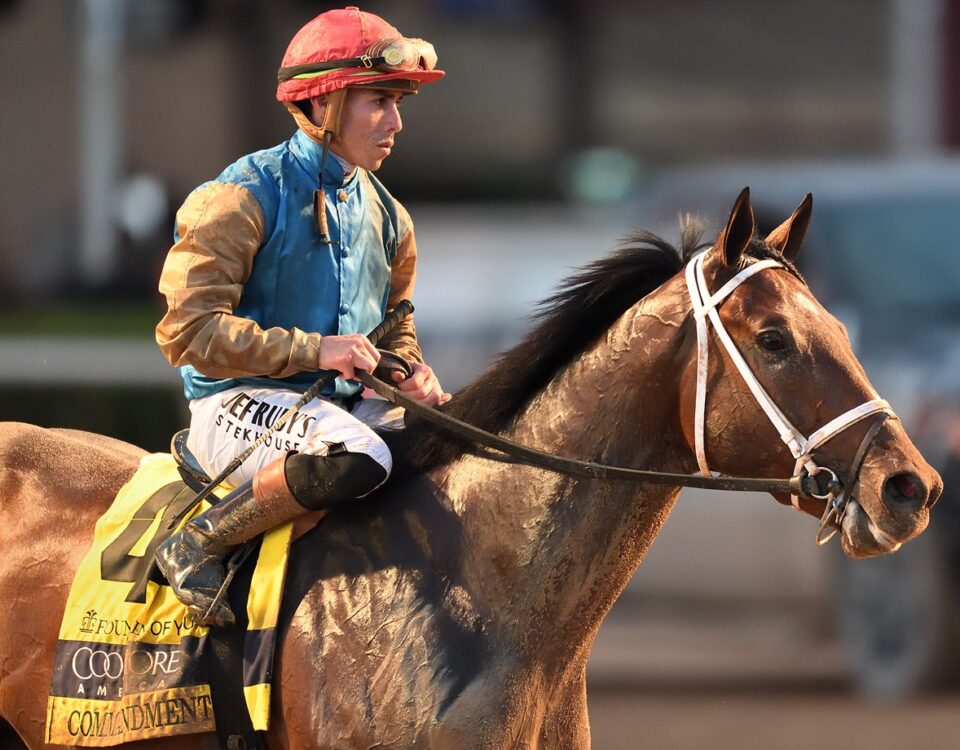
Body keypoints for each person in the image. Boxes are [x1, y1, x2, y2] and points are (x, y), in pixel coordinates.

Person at [153, 7, 450, 627]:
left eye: (398, 103)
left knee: (453, 441)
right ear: (322, 105)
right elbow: (188, 332)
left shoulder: (390, 216)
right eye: (378, 102)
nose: (395, 122)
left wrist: (408, 370)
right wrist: (315, 351)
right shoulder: (239, 197)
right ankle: (198, 543)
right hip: (235, 402)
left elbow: (394, 322)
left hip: (333, 408)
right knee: (361, 456)